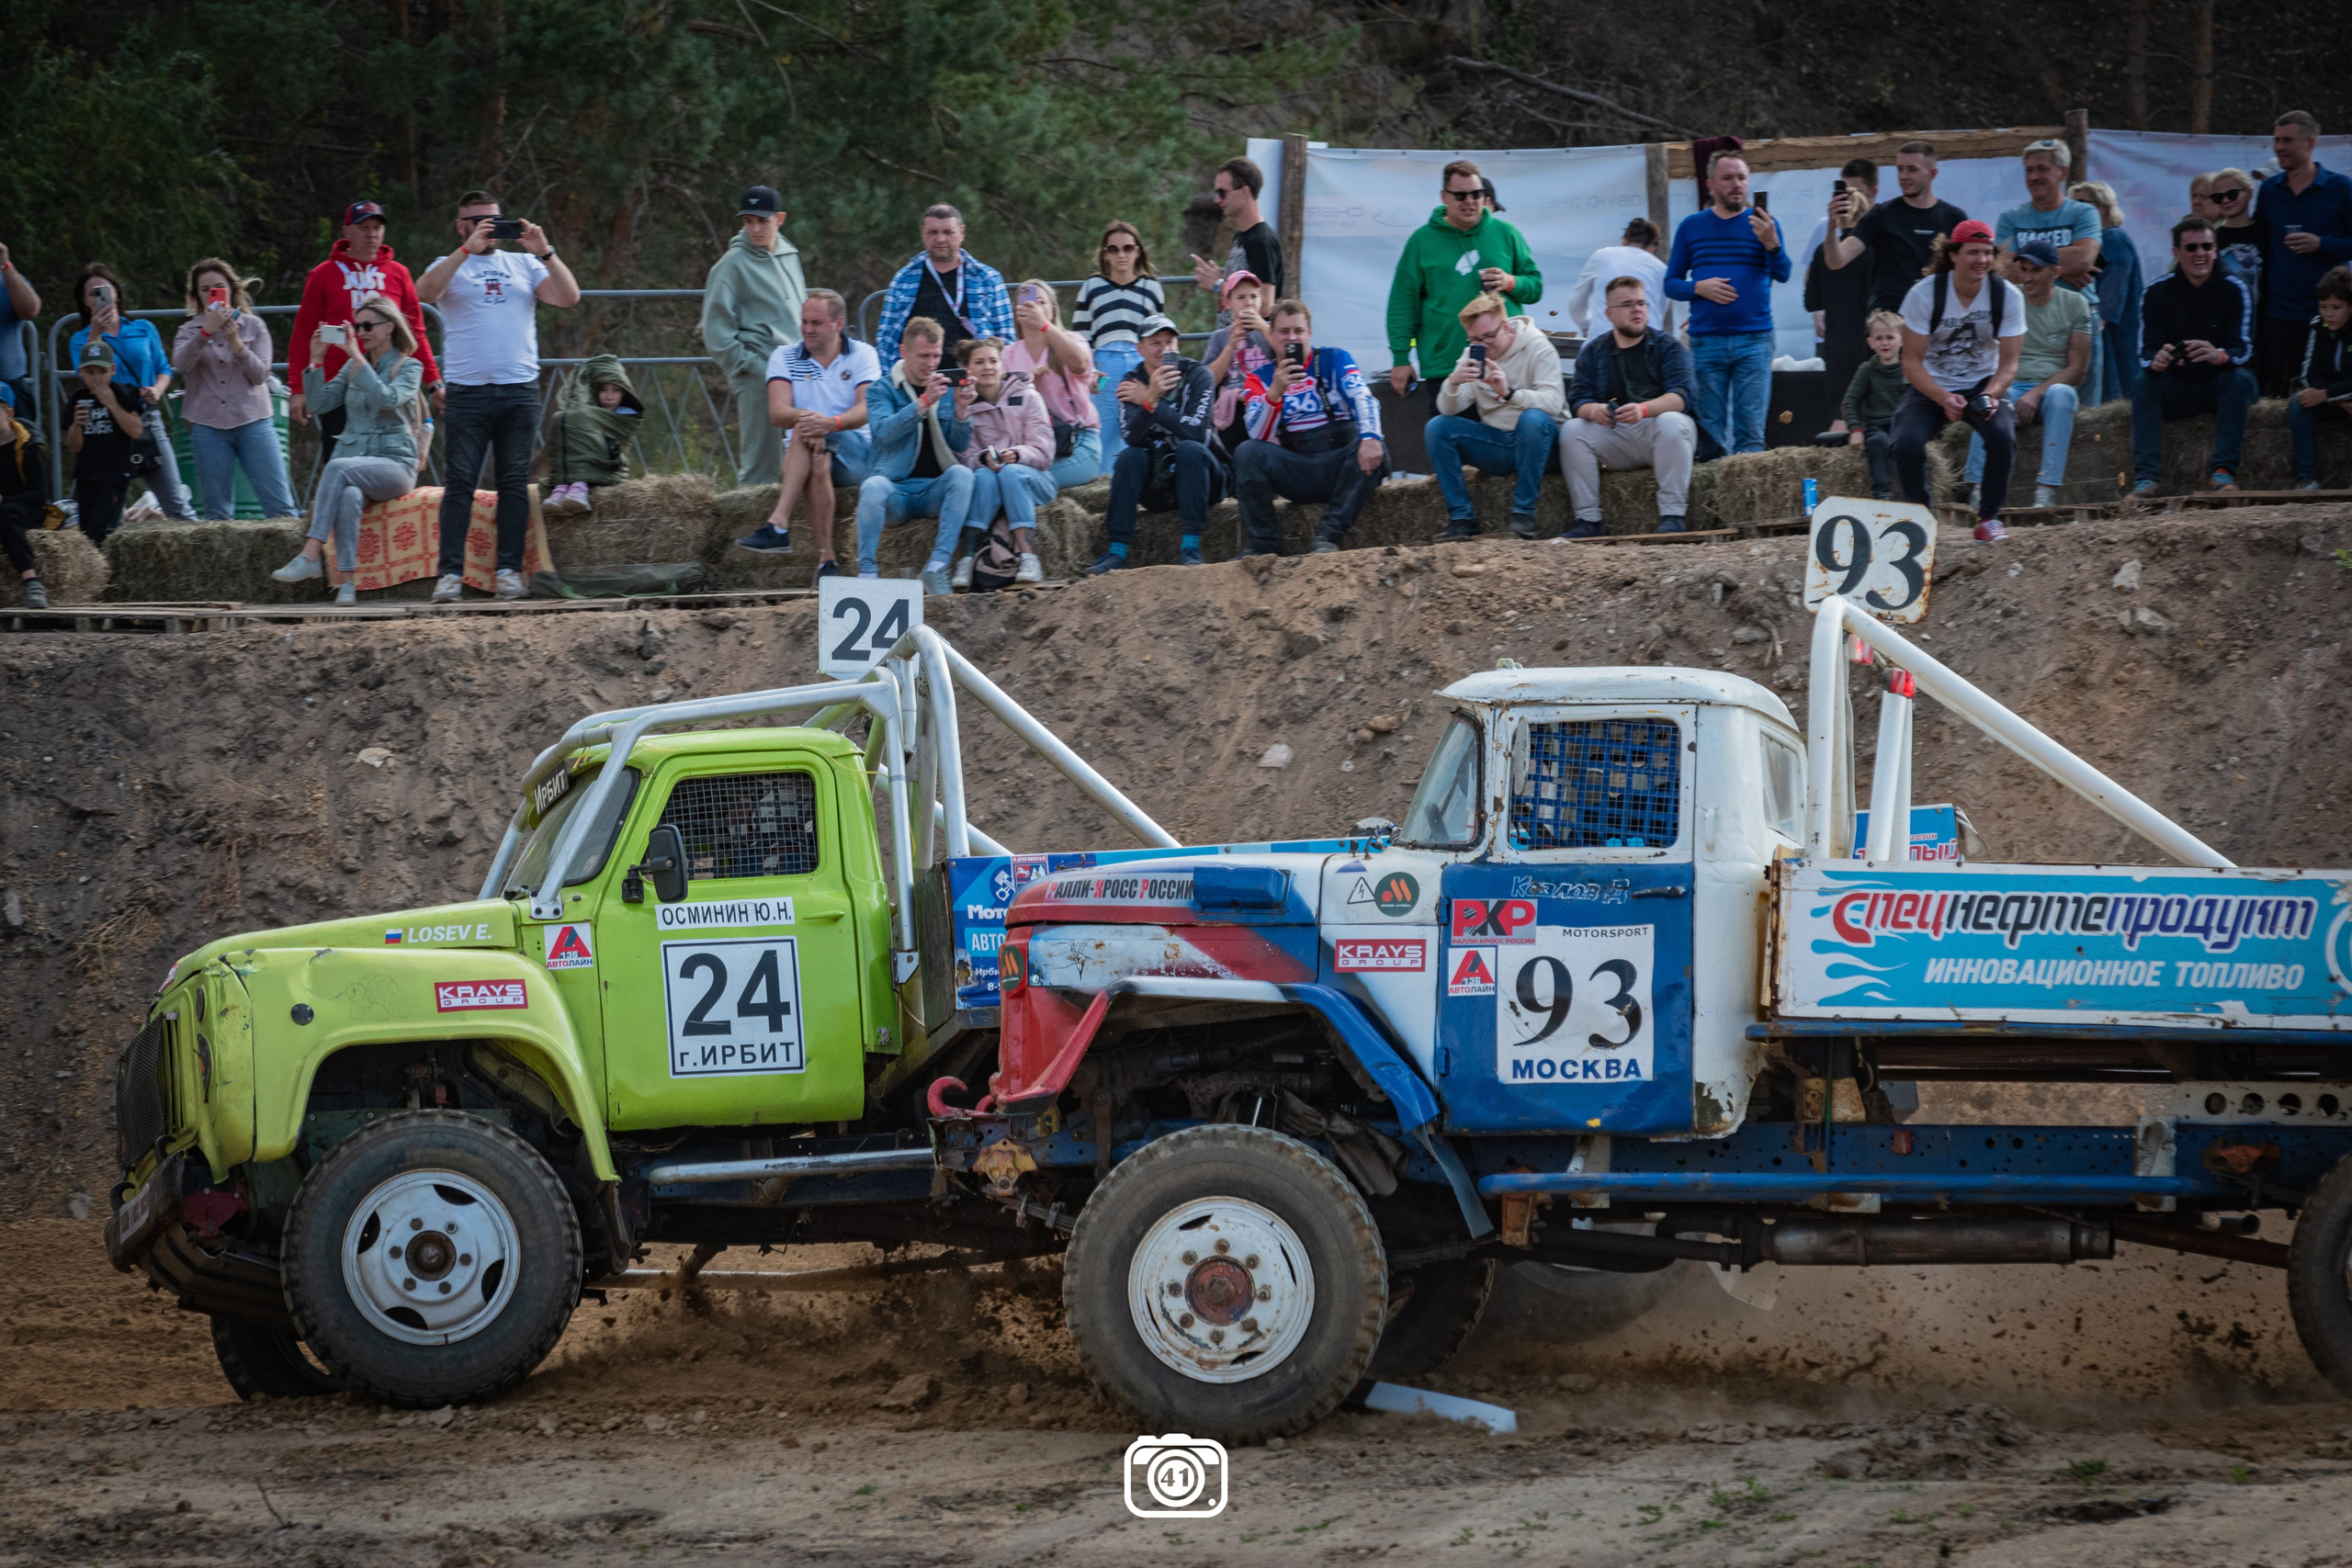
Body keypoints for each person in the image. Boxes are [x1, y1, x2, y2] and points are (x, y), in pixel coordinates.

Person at [415, 189, 582, 604]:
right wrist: (464, 251)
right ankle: (449, 576)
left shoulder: (523, 263)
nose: (487, 229)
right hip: (468, 392)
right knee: (460, 484)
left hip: (518, 389)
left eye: (494, 220)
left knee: (512, 483)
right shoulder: (448, 264)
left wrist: (546, 252)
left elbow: (569, 297)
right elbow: (423, 293)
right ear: (461, 225)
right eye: (477, 221)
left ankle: (508, 572)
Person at [270, 298, 424, 605]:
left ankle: (310, 553)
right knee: (349, 494)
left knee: (337, 467)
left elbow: (387, 398)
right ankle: (348, 584)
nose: (361, 332)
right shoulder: (351, 368)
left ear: (390, 327)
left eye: (368, 326)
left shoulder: (409, 366)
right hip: (361, 465)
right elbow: (319, 405)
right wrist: (315, 362)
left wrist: (357, 357)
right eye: (357, 327)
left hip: (396, 466)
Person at [1894, 220, 2022, 542]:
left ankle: (1989, 519)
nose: (1981, 260)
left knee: (2003, 437)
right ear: (1953, 255)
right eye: (1973, 252)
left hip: (1983, 383)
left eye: (1988, 253)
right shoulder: (1923, 296)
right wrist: (1941, 397)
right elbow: (1910, 364)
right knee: (1905, 442)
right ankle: (1921, 519)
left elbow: (2009, 365)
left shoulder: (2007, 296)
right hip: (1931, 384)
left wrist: (1991, 395)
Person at [288, 202, 441, 471]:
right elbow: (303, 335)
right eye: (363, 228)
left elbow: (416, 331)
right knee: (339, 459)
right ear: (347, 231)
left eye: (377, 227)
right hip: (340, 383)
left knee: (389, 457)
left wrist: (434, 382)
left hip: (388, 380)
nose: (372, 234)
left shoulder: (399, 273)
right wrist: (299, 389)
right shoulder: (323, 274)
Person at [735, 289, 879, 571]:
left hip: (855, 451)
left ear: (838, 324)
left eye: (816, 323)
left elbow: (866, 410)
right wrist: (816, 422)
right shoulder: (784, 356)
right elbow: (778, 413)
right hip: (807, 452)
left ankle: (779, 523)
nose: (807, 329)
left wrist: (830, 424)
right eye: (804, 322)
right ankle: (827, 560)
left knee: (805, 429)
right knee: (816, 457)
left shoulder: (864, 354)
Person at [1233, 299, 1385, 555]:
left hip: (1340, 464)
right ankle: (1264, 546)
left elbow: (1363, 396)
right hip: (1297, 468)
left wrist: (1370, 436)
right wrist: (1275, 392)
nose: (1291, 338)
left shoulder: (1334, 358)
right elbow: (1258, 434)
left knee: (1379, 449)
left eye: (1298, 332)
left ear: (1310, 333)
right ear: (1271, 335)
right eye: (1283, 332)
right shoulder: (1259, 377)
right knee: (1247, 452)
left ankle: (1328, 537)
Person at [1385, 160, 1543, 406]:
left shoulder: (1506, 233)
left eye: (1476, 194)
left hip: (1507, 361)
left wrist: (1511, 282)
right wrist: (1401, 358)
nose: (1469, 201)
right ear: (1444, 197)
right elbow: (1402, 304)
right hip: (1447, 364)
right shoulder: (1422, 240)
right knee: (1447, 434)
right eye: (1460, 195)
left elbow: (1535, 287)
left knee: (1513, 434)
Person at [1665, 152, 1787, 457]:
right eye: (1728, 178)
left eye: (1742, 178)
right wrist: (1699, 288)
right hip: (1707, 341)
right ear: (1711, 185)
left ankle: (1747, 502)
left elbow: (1783, 273)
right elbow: (1671, 283)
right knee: (1710, 430)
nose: (1737, 185)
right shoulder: (1691, 226)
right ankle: (1714, 502)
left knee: (1751, 432)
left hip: (1755, 339)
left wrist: (1772, 244)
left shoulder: (1764, 224)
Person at [2131, 218, 2258, 498]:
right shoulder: (2156, 292)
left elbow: (2246, 349)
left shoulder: (2236, 288)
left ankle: (2222, 474)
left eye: (2206, 246)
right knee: (2143, 384)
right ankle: (2147, 479)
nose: (2200, 253)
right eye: (2191, 247)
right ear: (2176, 253)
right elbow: (2145, 352)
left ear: (2215, 250)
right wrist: (2158, 360)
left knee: (2239, 379)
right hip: (2177, 386)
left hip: (2221, 385)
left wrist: (2219, 355)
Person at [1424, 290, 1566, 540]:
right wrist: (1453, 384)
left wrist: (1511, 394)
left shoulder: (1537, 346)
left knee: (1532, 419)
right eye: (1475, 339)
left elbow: (1553, 403)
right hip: (1500, 444)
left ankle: (1523, 515)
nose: (1484, 345)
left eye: (1489, 336)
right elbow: (1447, 409)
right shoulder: (1474, 355)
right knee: (1437, 427)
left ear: (1507, 328)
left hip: (1544, 445)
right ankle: (1461, 518)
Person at [1561, 278, 1697, 537]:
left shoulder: (1667, 346)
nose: (1637, 310)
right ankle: (1588, 520)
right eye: (1627, 305)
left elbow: (1683, 395)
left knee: (1673, 422)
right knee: (1572, 429)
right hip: (1615, 436)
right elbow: (1577, 400)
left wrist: (1644, 410)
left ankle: (1673, 515)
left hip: (1657, 433)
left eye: (1641, 303)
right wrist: (1594, 411)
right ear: (1609, 314)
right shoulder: (1593, 352)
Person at [853, 316, 976, 592]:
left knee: (963, 475)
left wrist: (962, 411)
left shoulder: (944, 388)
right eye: (923, 356)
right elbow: (883, 432)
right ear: (903, 352)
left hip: (934, 489)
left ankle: (937, 566)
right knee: (872, 487)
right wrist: (923, 403)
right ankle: (868, 573)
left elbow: (960, 443)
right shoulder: (880, 390)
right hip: (896, 492)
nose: (931, 363)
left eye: (936, 355)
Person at [171, 258, 300, 520]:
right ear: (197, 295)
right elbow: (181, 365)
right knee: (217, 514)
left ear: (230, 289)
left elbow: (261, 374)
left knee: (281, 507)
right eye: (205, 289)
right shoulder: (188, 330)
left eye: (218, 287)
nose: (212, 293)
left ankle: (297, 558)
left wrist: (236, 343)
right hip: (207, 426)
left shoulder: (255, 326)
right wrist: (204, 333)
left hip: (254, 421)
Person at [1964, 242, 2088, 511]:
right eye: (2023, 270)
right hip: (2011, 383)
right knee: (1987, 398)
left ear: (2055, 272)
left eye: (2036, 270)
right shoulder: (2008, 298)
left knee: (2063, 395)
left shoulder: (2076, 303)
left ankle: (2046, 490)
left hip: (2050, 389)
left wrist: (2036, 392)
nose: (2028, 277)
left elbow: (2078, 369)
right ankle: (1977, 488)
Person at [1091, 314, 1219, 573]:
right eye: (1156, 343)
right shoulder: (1132, 380)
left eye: (1170, 342)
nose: (1165, 349)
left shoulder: (1199, 375)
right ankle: (1117, 552)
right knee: (1129, 457)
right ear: (1139, 348)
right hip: (1159, 484)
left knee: (1190, 449)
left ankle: (1191, 549)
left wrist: (1152, 403)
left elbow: (1194, 432)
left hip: (1204, 481)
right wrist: (1148, 400)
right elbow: (1131, 437)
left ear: (1178, 345)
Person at [700, 185, 808, 491]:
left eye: (763, 220)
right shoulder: (730, 265)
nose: (755, 229)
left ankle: (790, 533)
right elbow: (716, 333)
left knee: (807, 459)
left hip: (800, 372)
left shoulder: (790, 254)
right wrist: (751, 367)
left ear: (780, 218)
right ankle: (748, 535)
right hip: (760, 375)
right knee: (762, 468)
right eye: (748, 221)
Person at [67, 265, 194, 522]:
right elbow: (87, 375)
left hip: (144, 419)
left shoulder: (143, 328)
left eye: (104, 289)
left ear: (116, 293)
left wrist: (156, 390)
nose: (99, 296)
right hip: (104, 426)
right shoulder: (80, 339)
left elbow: (163, 369)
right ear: (84, 301)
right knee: (95, 508)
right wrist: (95, 334)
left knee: (176, 503)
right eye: (92, 293)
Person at [2256, 112, 2352, 397]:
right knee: (2275, 396)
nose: (2279, 147)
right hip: (2278, 315)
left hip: (2326, 314)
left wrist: (2321, 243)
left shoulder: (2340, 188)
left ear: (2310, 143)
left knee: (2319, 396)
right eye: (2276, 140)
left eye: (2287, 140)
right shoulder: (2269, 191)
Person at [947, 336, 1052, 587]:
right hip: (990, 484)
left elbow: (1045, 452)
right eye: (979, 362)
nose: (988, 367)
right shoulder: (964, 404)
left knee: (1011, 473)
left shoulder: (1028, 396)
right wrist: (983, 458)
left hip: (1032, 480)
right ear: (968, 369)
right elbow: (964, 456)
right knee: (983, 475)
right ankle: (967, 559)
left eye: (993, 361)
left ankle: (1029, 557)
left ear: (1002, 364)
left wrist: (1017, 455)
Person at [1824, 141, 1968, 315]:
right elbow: (1836, 261)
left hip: (1938, 319)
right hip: (1890, 324)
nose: (1904, 176)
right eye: (1900, 169)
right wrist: (1832, 227)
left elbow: (1970, 271)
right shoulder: (1881, 215)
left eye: (1912, 169)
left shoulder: (1954, 218)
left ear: (1932, 174)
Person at [1074, 222, 1165, 479]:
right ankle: (1100, 485)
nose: (1121, 254)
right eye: (1113, 249)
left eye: (1127, 248)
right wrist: (1090, 370)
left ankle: (1136, 483)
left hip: (1140, 364)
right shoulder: (1092, 286)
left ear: (1138, 252)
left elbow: (1159, 334)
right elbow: (1082, 335)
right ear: (1105, 254)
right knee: (1103, 426)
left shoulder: (1152, 287)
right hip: (1104, 366)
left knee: (1138, 425)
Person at [875, 206, 1013, 367]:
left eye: (948, 232)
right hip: (919, 383)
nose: (941, 239)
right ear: (922, 234)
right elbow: (887, 338)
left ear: (962, 232)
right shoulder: (902, 280)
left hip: (974, 381)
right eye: (933, 233)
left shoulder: (988, 278)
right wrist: (895, 382)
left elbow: (1006, 338)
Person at [1001, 279, 1102, 491]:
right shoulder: (1008, 354)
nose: (1034, 307)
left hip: (1077, 443)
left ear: (1053, 309)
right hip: (1031, 446)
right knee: (1004, 478)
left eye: (1041, 302)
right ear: (1016, 312)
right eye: (1027, 302)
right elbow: (1000, 405)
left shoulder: (1072, 339)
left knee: (1015, 479)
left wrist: (1045, 326)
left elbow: (1080, 364)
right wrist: (1024, 384)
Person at [1807, 167, 1878, 432]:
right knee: (1873, 416)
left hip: (1837, 345)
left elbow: (1811, 301)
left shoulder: (1822, 252)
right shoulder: (1875, 250)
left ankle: (1833, 468)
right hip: (1871, 343)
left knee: (1842, 415)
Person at [543, 355, 643, 515]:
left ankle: (579, 488)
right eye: (604, 390)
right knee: (562, 419)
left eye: (616, 390)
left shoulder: (626, 414)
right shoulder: (591, 411)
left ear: (624, 393)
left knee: (580, 419)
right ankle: (562, 487)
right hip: (574, 467)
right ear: (596, 391)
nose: (609, 396)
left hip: (609, 468)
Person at [62, 341, 140, 546]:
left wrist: (112, 404)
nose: (97, 378)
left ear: (113, 370)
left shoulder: (123, 393)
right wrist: (77, 425)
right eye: (90, 372)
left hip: (115, 474)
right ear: (81, 372)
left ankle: (107, 574)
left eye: (102, 371)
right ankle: (96, 575)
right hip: (87, 476)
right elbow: (74, 446)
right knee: (87, 534)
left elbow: (136, 430)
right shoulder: (78, 399)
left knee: (102, 529)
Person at [2075, 180, 2143, 401]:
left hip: (2113, 335)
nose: (2077, 210)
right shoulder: (2093, 242)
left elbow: (2115, 284)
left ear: (2104, 207)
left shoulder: (2112, 237)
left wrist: (2099, 322)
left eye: (2083, 203)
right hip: (2102, 331)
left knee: (2116, 399)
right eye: (2073, 205)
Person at [1566, 218, 1679, 342]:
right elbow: (1659, 312)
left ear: (1623, 240)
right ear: (1653, 247)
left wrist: (1587, 325)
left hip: (1601, 342)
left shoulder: (1601, 256)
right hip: (1647, 346)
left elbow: (1576, 303)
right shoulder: (1662, 269)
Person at [2290, 265, 2352, 489]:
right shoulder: (2318, 326)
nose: (2328, 314)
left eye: (2336, 307)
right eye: (2323, 307)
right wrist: (2336, 399)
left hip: (2338, 394)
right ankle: (2306, 477)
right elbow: (2308, 374)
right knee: (2298, 402)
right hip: (2336, 398)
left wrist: (2328, 394)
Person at [1191, 157, 1283, 302]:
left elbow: (1265, 304)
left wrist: (1218, 285)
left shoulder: (1261, 241)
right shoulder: (1242, 236)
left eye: (1222, 193)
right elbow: (1243, 288)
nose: (1217, 200)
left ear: (1244, 192)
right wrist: (1218, 280)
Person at [1203, 271, 1274, 454]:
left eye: (1254, 296)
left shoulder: (1272, 332)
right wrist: (1230, 347)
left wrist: (1264, 329)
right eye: (1241, 297)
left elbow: (1290, 359)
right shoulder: (1220, 337)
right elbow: (1208, 380)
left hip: (1266, 401)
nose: (1249, 302)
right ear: (1228, 303)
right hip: (1234, 409)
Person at [1843, 311, 1909, 500]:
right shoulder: (1867, 370)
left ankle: (1914, 495)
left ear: (1902, 340)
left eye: (1890, 337)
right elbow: (1850, 401)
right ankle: (1882, 495)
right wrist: (1855, 430)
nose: (1885, 343)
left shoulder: (1910, 369)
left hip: (1904, 425)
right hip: (1877, 426)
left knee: (1910, 445)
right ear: (1871, 342)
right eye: (1879, 338)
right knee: (1879, 442)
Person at [0, 386, 51, 608]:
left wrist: (5, 500)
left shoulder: (29, 445)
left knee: (5, 514)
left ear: (9, 414)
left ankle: (32, 581)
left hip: (26, 509)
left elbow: (40, 494)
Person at [2206, 168, 2268, 306]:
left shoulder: (2266, 232)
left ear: (2249, 193)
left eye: (2232, 194)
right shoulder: (2211, 237)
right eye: (2218, 197)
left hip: (2264, 318)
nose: (2225, 200)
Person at [0, 240, 40, 418]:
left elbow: (31, 310)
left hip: (10, 387)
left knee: (23, 445)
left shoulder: (6, 278)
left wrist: (4, 263)